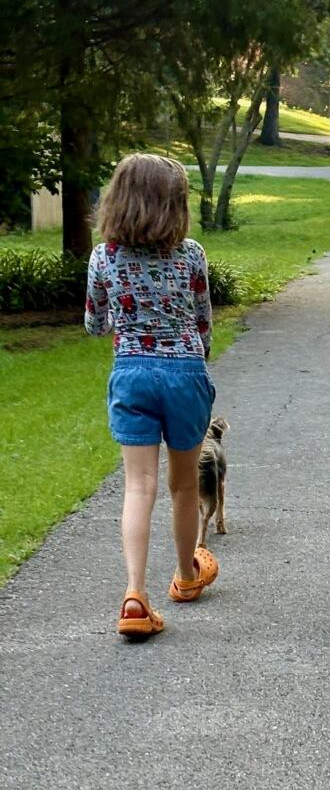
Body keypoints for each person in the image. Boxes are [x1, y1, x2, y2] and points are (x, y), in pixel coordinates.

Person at [84, 153, 219, 639]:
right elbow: (204, 324)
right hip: (184, 373)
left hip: (131, 373)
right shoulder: (191, 255)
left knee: (138, 486)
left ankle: (134, 594)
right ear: (175, 203)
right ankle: (185, 575)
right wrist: (189, 351)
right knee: (183, 485)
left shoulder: (104, 256)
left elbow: (95, 323)